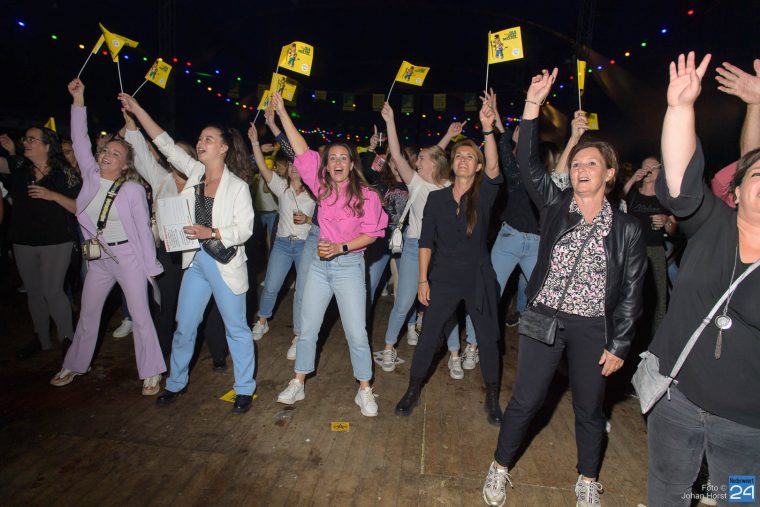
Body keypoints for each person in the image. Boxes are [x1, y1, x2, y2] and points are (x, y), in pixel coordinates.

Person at [482, 68, 647, 507]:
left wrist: (620, 343)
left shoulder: (627, 228)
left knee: (589, 408)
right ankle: (499, 466)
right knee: (526, 400)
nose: (580, 168)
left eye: (591, 163)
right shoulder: (555, 206)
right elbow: (526, 165)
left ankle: (587, 479)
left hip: (593, 326)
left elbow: (633, 293)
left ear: (609, 174)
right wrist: (532, 105)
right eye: (576, 163)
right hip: (544, 317)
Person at [646, 52, 760, 507]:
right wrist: (680, 109)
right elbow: (679, 184)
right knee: (668, 490)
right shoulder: (713, 224)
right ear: (738, 189)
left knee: (738, 499)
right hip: (676, 402)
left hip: (747, 426)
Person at [119, 92, 256, 414]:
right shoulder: (194, 173)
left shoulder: (237, 186)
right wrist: (138, 109)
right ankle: (176, 382)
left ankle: (244, 388)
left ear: (223, 148)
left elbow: (245, 229)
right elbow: (164, 143)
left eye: (208, 139)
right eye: (200, 138)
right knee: (184, 325)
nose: (201, 143)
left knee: (236, 328)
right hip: (196, 261)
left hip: (224, 262)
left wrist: (213, 232)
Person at [270, 92, 388, 417]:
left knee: (357, 332)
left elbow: (373, 233)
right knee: (308, 328)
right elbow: (301, 149)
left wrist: (341, 247)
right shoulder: (320, 188)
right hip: (320, 267)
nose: (337, 162)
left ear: (352, 164)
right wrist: (282, 113)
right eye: (332, 158)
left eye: (343, 158)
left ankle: (364, 389)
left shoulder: (367, 196)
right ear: (327, 164)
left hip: (349, 267)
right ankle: (298, 382)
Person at [50, 79, 165, 395]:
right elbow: (79, 138)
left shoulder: (132, 190)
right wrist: (78, 100)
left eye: (115, 153)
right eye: (105, 151)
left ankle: (152, 371)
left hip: (128, 258)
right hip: (98, 258)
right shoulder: (89, 176)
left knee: (140, 316)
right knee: (88, 314)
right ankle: (74, 364)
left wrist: (150, 266)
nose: (107, 155)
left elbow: (143, 232)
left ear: (126, 164)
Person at [394, 95, 504, 424]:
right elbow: (425, 242)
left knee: (488, 338)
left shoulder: (485, 194)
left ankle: (493, 398)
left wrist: (487, 130)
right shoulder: (437, 198)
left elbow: (495, 168)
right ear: (452, 163)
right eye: (459, 156)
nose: (464, 160)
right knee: (429, 335)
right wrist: (423, 279)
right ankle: (412, 389)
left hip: (479, 277)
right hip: (443, 277)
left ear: (478, 166)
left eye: (470, 157)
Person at [379, 102, 462, 375]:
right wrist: (390, 121)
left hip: (441, 253)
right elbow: (396, 153)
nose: (417, 161)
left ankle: (454, 354)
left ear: (433, 163)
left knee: (445, 306)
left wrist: (448, 137)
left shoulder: (451, 188)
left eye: (421, 158)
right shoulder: (415, 182)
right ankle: (389, 347)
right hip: (414, 248)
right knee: (404, 302)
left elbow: (435, 153)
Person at [0, 126, 81, 359]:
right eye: (25, 139)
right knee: (34, 292)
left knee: (52, 291)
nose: (25, 142)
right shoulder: (19, 166)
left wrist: (51, 195)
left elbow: (79, 208)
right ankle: (42, 339)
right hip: (23, 240)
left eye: (31, 139)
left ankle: (67, 340)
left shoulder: (64, 173)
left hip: (56, 240)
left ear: (47, 146)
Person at [248, 122, 315, 341]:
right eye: (292, 164)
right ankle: (262, 321)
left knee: (301, 292)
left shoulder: (315, 193)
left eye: (298, 164)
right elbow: (262, 167)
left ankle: (298, 335)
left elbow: (324, 220)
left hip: (304, 245)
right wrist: (255, 142)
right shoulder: (281, 188)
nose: (295, 167)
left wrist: (308, 219)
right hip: (283, 244)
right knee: (271, 286)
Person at [622, 157, 677, 334]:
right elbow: (616, 198)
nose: (648, 170)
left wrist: (667, 220)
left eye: (653, 167)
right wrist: (633, 179)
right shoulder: (632, 194)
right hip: (631, 250)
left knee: (659, 297)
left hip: (655, 250)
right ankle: (629, 335)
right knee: (628, 295)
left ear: (660, 174)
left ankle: (657, 340)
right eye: (645, 166)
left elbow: (673, 231)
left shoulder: (664, 199)